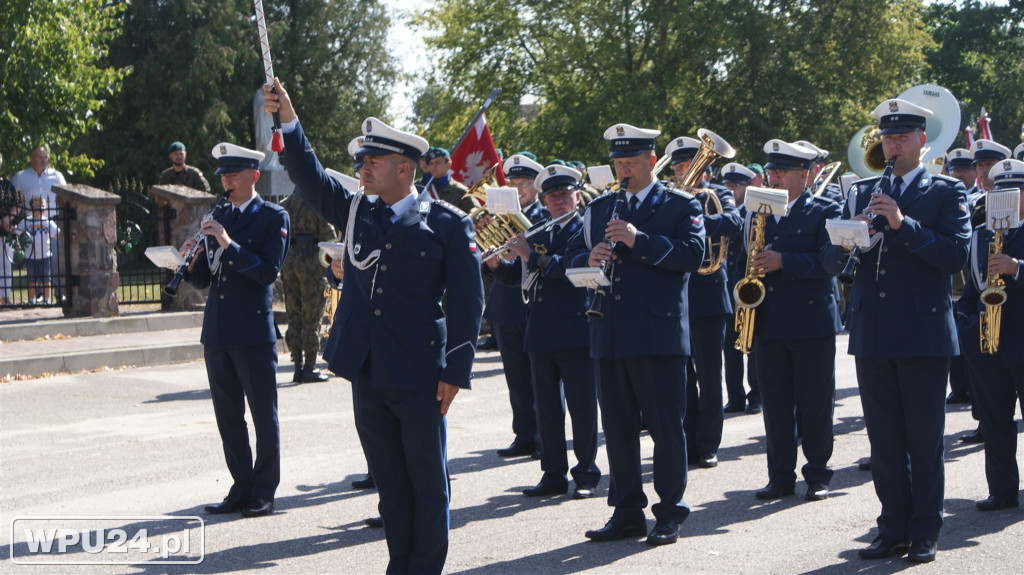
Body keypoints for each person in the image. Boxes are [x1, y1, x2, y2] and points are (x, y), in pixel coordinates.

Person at [265, 78, 484, 575]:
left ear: (404, 169)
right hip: (367, 369)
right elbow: (309, 176)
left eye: (372, 162)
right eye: (361, 162)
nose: (362, 169)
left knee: (427, 484)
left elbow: (470, 303)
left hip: (420, 373)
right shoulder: (357, 210)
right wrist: (289, 118)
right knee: (389, 483)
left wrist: (456, 371)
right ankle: (399, 565)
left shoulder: (446, 223)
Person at [828, 98, 970, 564]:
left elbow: (953, 256)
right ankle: (892, 526)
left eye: (902, 137)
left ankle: (925, 528)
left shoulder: (946, 192)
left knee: (924, 439)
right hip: (872, 330)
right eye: (888, 138)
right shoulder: (863, 189)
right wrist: (847, 240)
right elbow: (841, 260)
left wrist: (900, 223)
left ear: (922, 141)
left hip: (923, 332)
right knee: (884, 440)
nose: (893, 145)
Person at [565, 123, 706, 546]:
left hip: (657, 334)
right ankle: (626, 510)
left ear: (650, 160)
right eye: (618, 162)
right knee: (619, 428)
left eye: (630, 161)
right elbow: (572, 252)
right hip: (608, 332)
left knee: (666, 428)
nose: (623, 169)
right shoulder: (602, 207)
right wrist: (587, 255)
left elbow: (693, 255)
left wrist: (639, 240)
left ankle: (669, 513)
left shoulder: (679, 204)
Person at [180, 142, 290, 518]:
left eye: (232, 174)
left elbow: (266, 272)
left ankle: (264, 491)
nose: (225, 181)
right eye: (223, 175)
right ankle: (240, 486)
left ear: (253, 176)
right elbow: (204, 279)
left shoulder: (273, 217)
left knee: (263, 415)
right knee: (228, 415)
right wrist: (186, 261)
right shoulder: (219, 213)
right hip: (218, 331)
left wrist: (227, 241)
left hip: (253, 332)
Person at [487, 164, 600, 499]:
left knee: (581, 408)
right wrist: (496, 265)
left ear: (576, 196)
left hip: (575, 329)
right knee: (546, 408)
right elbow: (519, 277)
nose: (559, 202)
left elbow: (573, 270)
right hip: (540, 330)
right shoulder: (538, 229)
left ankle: (586, 475)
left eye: (564, 195)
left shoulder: (585, 230)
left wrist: (530, 256)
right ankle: (553, 474)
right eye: (552, 197)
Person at [749, 140, 842, 502]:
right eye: (771, 171)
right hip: (769, 320)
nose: (773, 177)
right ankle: (780, 477)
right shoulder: (759, 210)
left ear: (804, 175)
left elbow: (829, 262)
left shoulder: (824, 209)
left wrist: (784, 261)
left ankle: (818, 474)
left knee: (815, 403)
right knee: (775, 405)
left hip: (810, 321)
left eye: (782, 171)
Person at [664, 135, 742, 469]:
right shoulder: (669, 195)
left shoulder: (718, 193)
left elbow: (735, 222)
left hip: (709, 295)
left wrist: (691, 220)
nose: (686, 170)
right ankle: (688, 439)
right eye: (680, 165)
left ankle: (709, 443)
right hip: (677, 298)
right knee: (683, 377)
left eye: (691, 163)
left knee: (711, 376)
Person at [956, 163, 1024, 513]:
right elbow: (970, 291)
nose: (1005, 200)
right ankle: (1002, 490)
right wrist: (968, 327)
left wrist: (1017, 268)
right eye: (999, 193)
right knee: (995, 422)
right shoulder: (981, 234)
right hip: (988, 342)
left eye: (1014, 193)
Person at [486, 153, 549, 458]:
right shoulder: (499, 217)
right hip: (504, 303)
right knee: (516, 377)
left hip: (534, 304)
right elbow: (494, 263)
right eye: (512, 184)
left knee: (542, 377)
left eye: (523, 183)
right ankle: (524, 434)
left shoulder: (544, 216)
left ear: (536, 187)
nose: (518, 189)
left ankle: (545, 435)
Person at [280, 189, 335, 383]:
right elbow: (330, 239)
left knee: (294, 315)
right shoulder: (317, 204)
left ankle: (297, 366)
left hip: (289, 264)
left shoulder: (284, 205)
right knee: (313, 316)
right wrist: (329, 267)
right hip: (312, 265)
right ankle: (309, 367)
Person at [720, 162, 762, 414]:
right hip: (724, 287)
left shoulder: (754, 214)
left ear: (747, 187)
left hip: (745, 286)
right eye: (728, 185)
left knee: (751, 343)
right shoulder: (723, 212)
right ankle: (735, 396)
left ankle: (756, 395)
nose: (730, 190)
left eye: (735, 186)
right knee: (730, 345)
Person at [945, 147, 978, 407]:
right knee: (954, 338)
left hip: (971, 278)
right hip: (951, 280)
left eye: (965, 169)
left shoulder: (979, 200)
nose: (958, 174)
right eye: (954, 169)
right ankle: (959, 387)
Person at [12, 146, 66, 302]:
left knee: (54, 257)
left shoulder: (56, 176)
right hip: (30, 225)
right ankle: (37, 294)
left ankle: (58, 292)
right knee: (33, 259)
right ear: (31, 159)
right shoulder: (21, 177)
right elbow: (9, 195)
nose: (44, 160)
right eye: (40, 157)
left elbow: (67, 196)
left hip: (52, 221)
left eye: (45, 157)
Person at [16, 197, 60, 304]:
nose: (41, 209)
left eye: (43, 207)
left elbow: (58, 233)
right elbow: (16, 232)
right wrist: (17, 244)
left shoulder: (47, 222)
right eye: (38, 207)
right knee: (32, 280)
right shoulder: (26, 221)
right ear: (31, 208)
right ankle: (32, 300)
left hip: (45, 255)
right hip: (30, 255)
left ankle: (47, 299)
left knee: (46, 279)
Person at [1, 154, 24, 305]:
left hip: (5, 232)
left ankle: (4, 297)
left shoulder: (6, 185)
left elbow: (19, 203)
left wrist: (8, 218)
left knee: (5, 265)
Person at [422, 147, 475, 212]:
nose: (433, 166)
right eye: (431, 163)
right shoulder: (422, 187)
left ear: (448, 164)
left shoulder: (461, 191)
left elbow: (475, 211)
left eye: (437, 163)